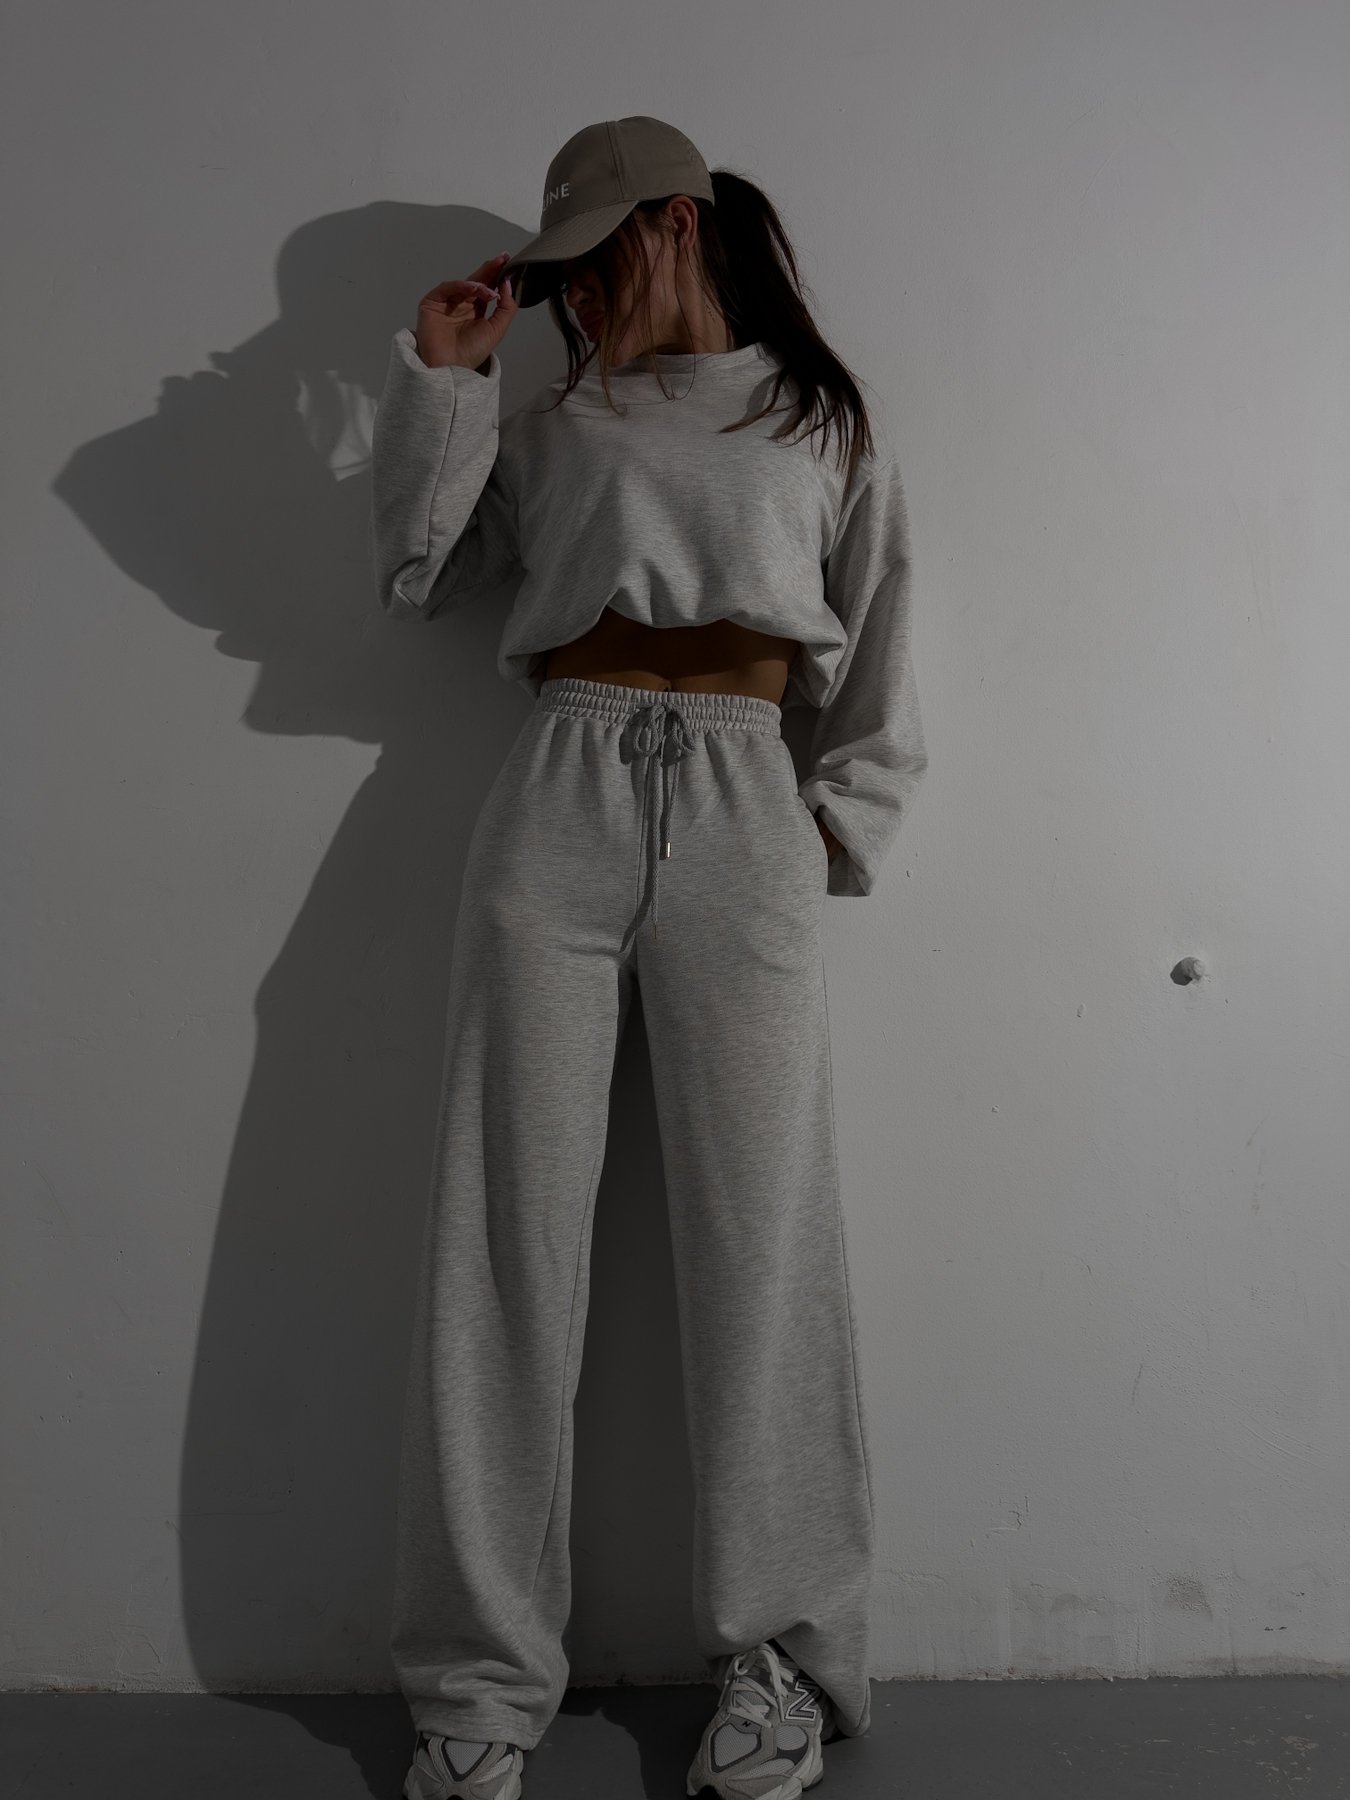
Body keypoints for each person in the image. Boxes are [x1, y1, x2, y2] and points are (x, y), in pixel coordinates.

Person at [370, 115, 928, 1800]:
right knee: (502, 1240)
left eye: (593, 260)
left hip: (748, 806)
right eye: (557, 277)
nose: (578, 296)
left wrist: (833, 829)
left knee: (763, 1241)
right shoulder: (553, 422)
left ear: (674, 222)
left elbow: (880, 652)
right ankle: (478, 1685)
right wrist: (449, 381)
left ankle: (781, 1658)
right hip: (557, 798)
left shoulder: (819, 418)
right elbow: (418, 573)